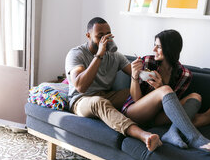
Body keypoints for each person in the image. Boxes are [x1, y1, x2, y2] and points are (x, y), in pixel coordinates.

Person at [65, 17, 162, 152]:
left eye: (108, 35)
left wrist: (148, 73)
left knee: (133, 92)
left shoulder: (115, 56)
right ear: (88, 36)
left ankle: (154, 122)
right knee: (99, 102)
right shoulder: (76, 54)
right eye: (100, 36)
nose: (106, 39)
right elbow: (81, 86)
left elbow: (138, 75)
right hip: (81, 101)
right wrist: (99, 55)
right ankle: (144, 135)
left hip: (106, 96)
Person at [122, 29, 210, 149]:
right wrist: (134, 75)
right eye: (154, 45)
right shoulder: (147, 62)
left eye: (158, 47)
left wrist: (161, 88)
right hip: (135, 112)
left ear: (170, 49)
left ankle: (173, 132)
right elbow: (136, 99)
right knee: (166, 90)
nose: (154, 50)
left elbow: (172, 109)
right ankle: (194, 136)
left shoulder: (184, 74)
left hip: (158, 117)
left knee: (196, 97)